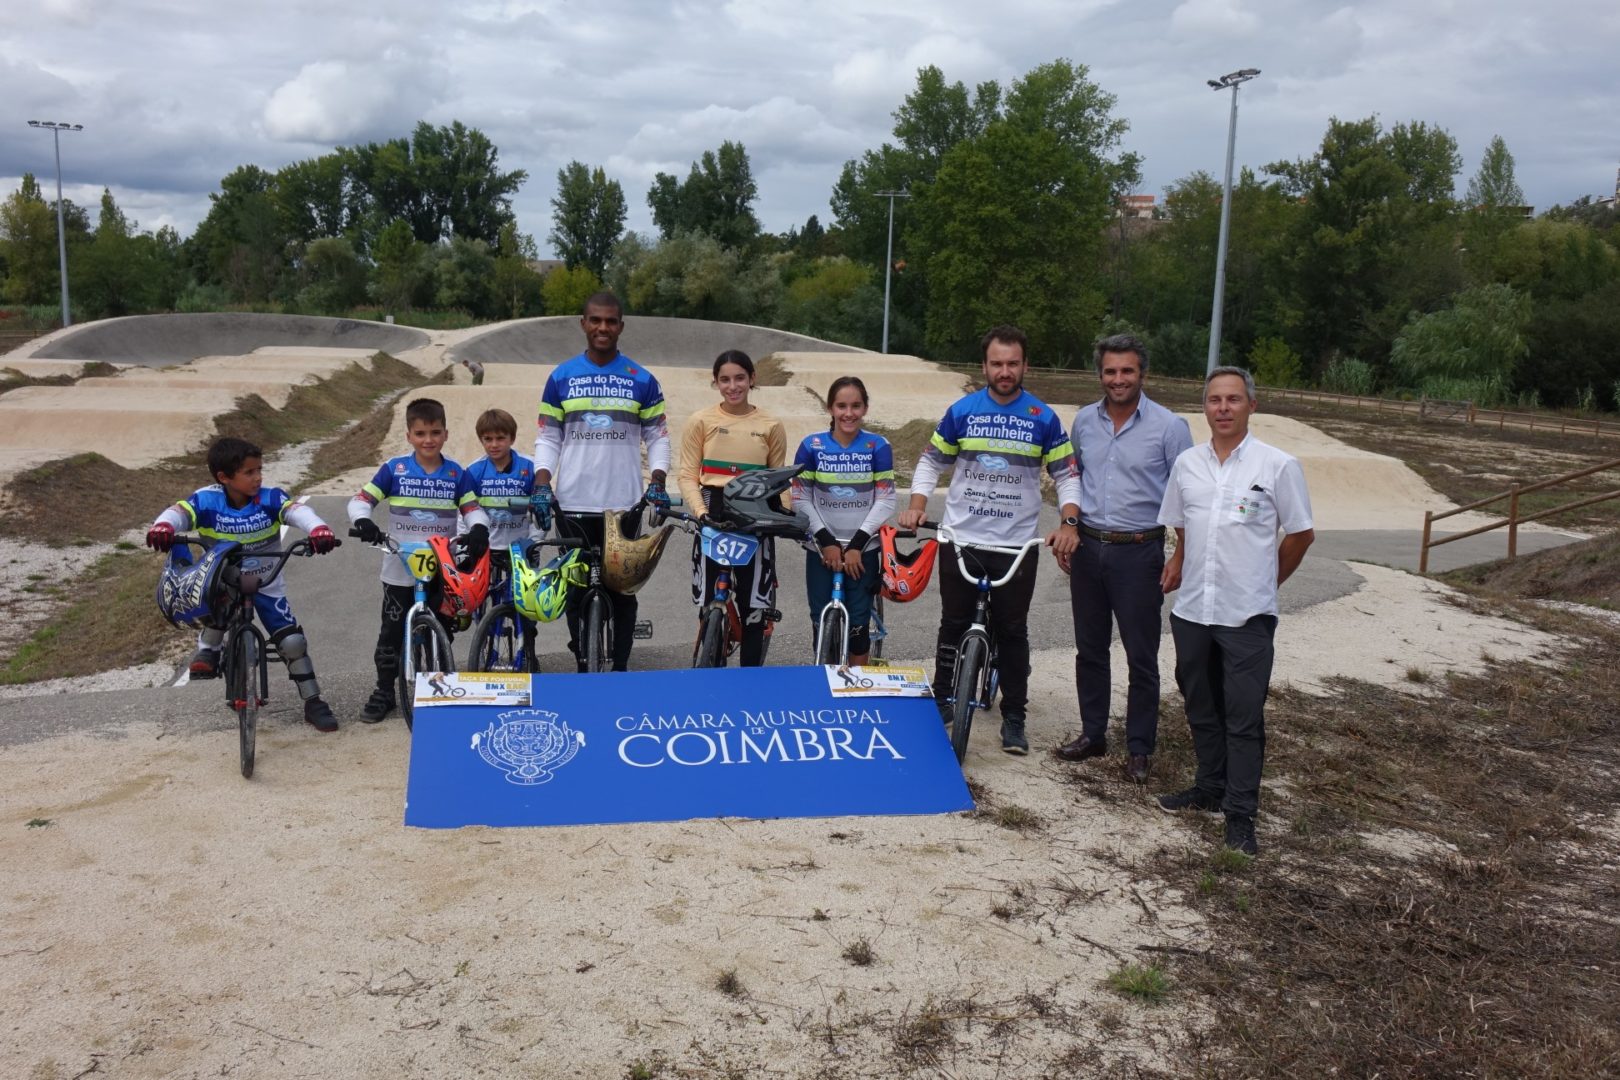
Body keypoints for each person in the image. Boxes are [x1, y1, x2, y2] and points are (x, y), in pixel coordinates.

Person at [897, 325, 1082, 754]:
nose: (1004, 371)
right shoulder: (962, 411)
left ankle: (1014, 716)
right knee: (953, 624)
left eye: (1012, 363)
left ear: (1024, 366)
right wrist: (917, 504)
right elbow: (929, 463)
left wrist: (1069, 523)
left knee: (1014, 629)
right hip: (961, 539)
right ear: (984, 366)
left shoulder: (1043, 418)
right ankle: (943, 697)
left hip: (1015, 545)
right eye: (996, 363)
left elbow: (1067, 476)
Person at [1156, 366, 1314, 857]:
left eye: (1233, 400)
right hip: (1192, 612)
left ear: (1252, 405)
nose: (1223, 408)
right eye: (1214, 400)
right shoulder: (1187, 464)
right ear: (1204, 408)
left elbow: (1301, 533)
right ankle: (1209, 788)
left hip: (1247, 616)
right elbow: (1180, 523)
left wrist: (1267, 583)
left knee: (1244, 718)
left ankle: (1241, 815)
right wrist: (1182, 557)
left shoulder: (1277, 466)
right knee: (1200, 706)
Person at [1054, 334, 1194, 782]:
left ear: (1142, 374)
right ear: (1100, 375)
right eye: (1110, 371)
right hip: (1090, 548)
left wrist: (1180, 556)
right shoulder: (1083, 422)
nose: (1118, 379)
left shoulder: (1170, 427)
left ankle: (1139, 748)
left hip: (1140, 552)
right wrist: (1069, 528)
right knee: (1090, 649)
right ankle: (1093, 734)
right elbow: (1071, 480)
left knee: (1141, 654)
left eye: (1127, 371)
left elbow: (1186, 496)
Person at [145, 436, 341, 731]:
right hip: (222, 579)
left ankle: (314, 702)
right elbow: (179, 512)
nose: (258, 477)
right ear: (224, 477)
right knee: (215, 604)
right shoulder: (207, 499)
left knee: (292, 642)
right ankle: (209, 650)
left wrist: (318, 529)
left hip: (266, 582)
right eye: (249, 472)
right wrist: (163, 526)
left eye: (260, 469)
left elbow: (296, 511)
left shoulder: (270, 498)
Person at [532, 292, 671, 672]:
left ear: (621, 326)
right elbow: (547, 437)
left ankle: (621, 670)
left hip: (623, 504)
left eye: (611, 321)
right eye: (595, 320)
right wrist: (542, 483)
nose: (603, 327)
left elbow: (658, 436)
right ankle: (582, 662)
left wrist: (657, 481)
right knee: (575, 593)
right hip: (574, 503)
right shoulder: (561, 377)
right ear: (583, 323)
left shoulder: (641, 379)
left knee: (623, 593)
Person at [347, 397, 490, 722]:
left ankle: (439, 682)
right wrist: (363, 521)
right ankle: (384, 691)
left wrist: (479, 528)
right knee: (391, 632)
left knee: (442, 627)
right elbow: (361, 500)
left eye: (435, 432)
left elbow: (472, 509)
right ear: (409, 435)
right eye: (421, 433)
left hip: (441, 566)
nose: (429, 440)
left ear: (446, 434)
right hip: (399, 567)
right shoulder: (394, 469)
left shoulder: (457, 473)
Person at [676, 350, 788, 667]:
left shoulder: (771, 425)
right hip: (713, 508)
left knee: (754, 609)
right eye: (724, 379)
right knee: (711, 599)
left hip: (756, 514)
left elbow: (780, 481)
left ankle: (749, 681)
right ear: (716, 383)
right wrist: (701, 513)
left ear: (752, 379)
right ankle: (713, 662)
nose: (733, 386)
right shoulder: (700, 421)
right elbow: (687, 475)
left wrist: (786, 518)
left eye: (740, 378)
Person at [791, 377, 897, 666]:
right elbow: (800, 498)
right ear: (830, 408)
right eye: (841, 406)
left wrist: (857, 545)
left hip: (863, 550)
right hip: (821, 549)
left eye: (855, 406)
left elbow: (885, 500)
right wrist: (826, 541)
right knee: (820, 618)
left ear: (864, 408)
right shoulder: (811, 446)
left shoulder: (878, 446)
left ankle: (857, 690)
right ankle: (823, 679)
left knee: (859, 624)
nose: (848, 413)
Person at [467, 408, 537, 644]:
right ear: (481, 440)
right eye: (488, 439)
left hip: (520, 547)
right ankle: (485, 638)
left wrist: (534, 541)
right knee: (479, 601)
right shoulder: (474, 471)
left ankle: (527, 647)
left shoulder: (529, 468)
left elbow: (541, 510)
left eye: (500, 438)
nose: (494, 444)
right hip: (487, 547)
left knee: (525, 604)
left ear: (512, 438)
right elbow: (465, 509)